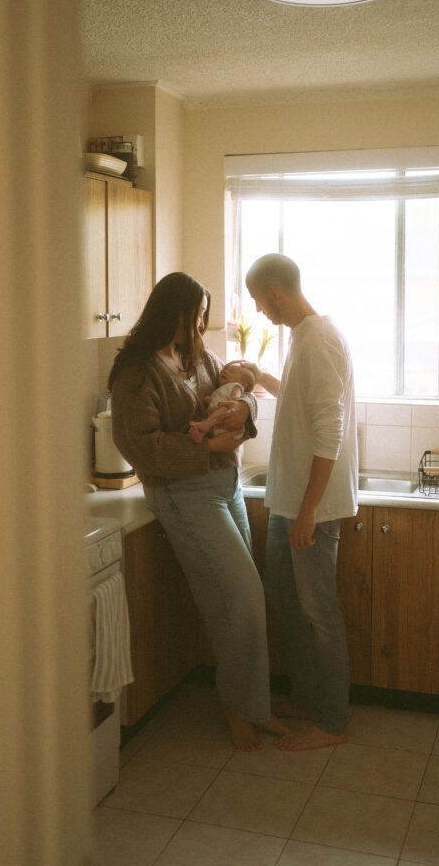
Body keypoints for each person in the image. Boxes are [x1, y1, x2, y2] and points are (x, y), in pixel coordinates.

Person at [108, 272, 287, 751]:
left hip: (223, 484)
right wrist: (209, 450)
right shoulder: (136, 372)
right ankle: (242, 710)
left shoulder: (195, 356)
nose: (203, 324)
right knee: (244, 597)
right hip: (182, 495)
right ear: (174, 313)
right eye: (197, 315)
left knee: (237, 602)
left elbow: (238, 392)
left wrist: (245, 412)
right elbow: (138, 446)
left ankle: (253, 706)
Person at [244, 253, 358, 751]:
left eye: (257, 301)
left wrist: (309, 510)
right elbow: (300, 400)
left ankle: (331, 723)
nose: (259, 312)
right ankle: (309, 699)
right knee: (287, 604)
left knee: (319, 613)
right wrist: (260, 378)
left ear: (273, 291)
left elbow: (328, 433)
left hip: (313, 506)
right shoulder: (303, 339)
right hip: (288, 497)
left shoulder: (321, 341)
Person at [188, 362, 256, 443]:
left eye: (232, 371)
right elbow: (218, 398)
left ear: (243, 385)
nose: (224, 371)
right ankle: (200, 436)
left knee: (227, 407)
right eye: (225, 369)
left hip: (228, 424)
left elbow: (234, 401)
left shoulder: (236, 386)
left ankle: (205, 424)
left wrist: (219, 407)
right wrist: (209, 400)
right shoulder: (222, 388)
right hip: (218, 425)